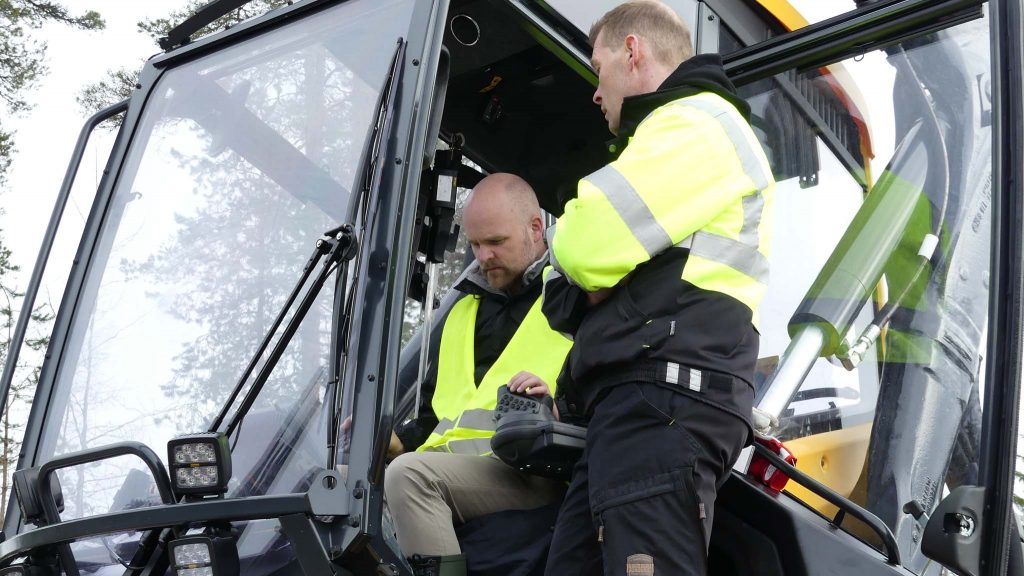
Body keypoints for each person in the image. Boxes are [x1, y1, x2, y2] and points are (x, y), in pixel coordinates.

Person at [539, 2, 775, 575]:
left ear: (633, 51)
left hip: (663, 402)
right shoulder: (680, 135)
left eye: (598, 69)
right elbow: (563, 291)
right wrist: (581, 277)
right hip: (640, 403)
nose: (596, 92)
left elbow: (583, 244)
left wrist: (579, 260)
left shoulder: (694, 124)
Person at [384, 173, 572, 575]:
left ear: (536, 228)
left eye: (496, 242)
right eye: (475, 244)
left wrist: (562, 408)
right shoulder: (462, 311)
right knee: (341, 483)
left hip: (536, 471)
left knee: (410, 478)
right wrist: (400, 441)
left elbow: (605, 381)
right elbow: (443, 414)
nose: (483, 256)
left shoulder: (574, 293)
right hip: (458, 471)